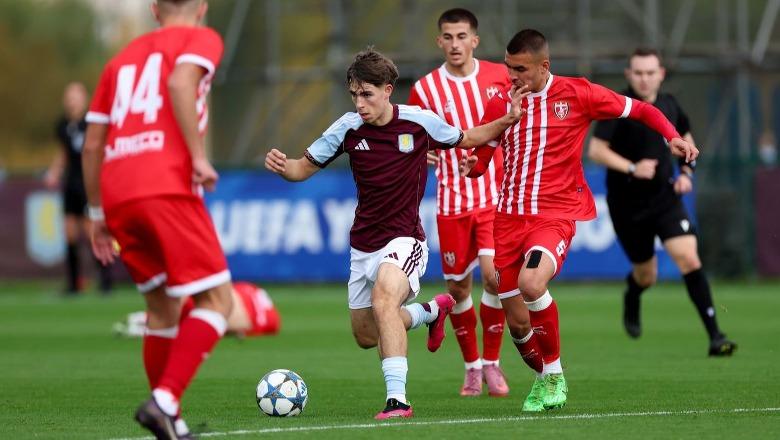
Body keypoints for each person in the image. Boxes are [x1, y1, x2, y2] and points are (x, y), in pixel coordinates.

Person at [265, 48, 525, 419]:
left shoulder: (419, 122)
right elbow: (302, 168)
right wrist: (282, 167)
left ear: (388, 90)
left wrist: (508, 119)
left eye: (367, 94)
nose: (360, 103)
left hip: (405, 239)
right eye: (355, 94)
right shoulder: (347, 128)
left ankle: (397, 401)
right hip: (363, 245)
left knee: (385, 299)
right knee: (367, 335)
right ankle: (431, 313)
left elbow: (468, 137)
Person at [461, 30, 699, 412]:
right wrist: (472, 167)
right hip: (507, 219)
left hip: (555, 214)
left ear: (544, 66)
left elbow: (641, 109)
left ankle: (554, 375)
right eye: (508, 68)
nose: (512, 76)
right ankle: (543, 377)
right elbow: (483, 162)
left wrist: (672, 136)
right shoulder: (502, 104)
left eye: (520, 68)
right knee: (519, 325)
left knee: (531, 281)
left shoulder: (578, 94)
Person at [82, 1, 232, 438]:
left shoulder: (119, 61)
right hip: (165, 184)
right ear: (202, 6)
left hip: (117, 190)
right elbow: (180, 82)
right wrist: (199, 158)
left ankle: (172, 420)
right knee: (217, 302)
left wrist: (97, 212)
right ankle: (164, 401)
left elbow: (93, 144)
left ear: (153, 9)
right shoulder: (201, 38)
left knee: (162, 309)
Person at [587, 48, 737, 357]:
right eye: (638, 73)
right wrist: (632, 167)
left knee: (689, 259)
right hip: (627, 204)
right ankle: (633, 293)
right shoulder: (619, 106)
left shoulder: (670, 104)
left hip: (664, 198)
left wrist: (686, 173)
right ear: (629, 75)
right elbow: (596, 151)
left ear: (661, 74)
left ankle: (715, 336)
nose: (644, 78)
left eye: (650, 72)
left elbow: (688, 143)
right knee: (647, 275)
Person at [408, 8, 511, 397]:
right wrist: (424, 154)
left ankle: (492, 363)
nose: (455, 44)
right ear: (439, 41)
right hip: (451, 201)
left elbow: (514, 121)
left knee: (495, 277)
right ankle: (471, 368)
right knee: (459, 289)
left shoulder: (498, 78)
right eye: (448, 37)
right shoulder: (425, 89)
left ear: (475, 40)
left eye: (462, 36)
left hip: (492, 195)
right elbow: (415, 139)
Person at [44, 82, 113, 295]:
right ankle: (74, 283)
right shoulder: (62, 125)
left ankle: (105, 282)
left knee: (91, 231)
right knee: (70, 234)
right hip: (70, 184)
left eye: (75, 96)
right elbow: (63, 153)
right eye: (69, 96)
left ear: (83, 99)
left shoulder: (90, 123)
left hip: (87, 183)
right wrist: (54, 171)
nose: (71, 101)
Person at [114, 282, 281, 338]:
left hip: (251, 313)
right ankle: (153, 320)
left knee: (208, 307)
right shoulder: (252, 293)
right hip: (254, 311)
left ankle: (153, 320)